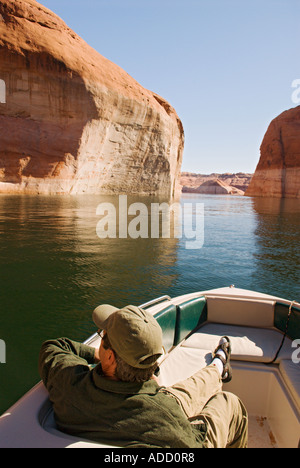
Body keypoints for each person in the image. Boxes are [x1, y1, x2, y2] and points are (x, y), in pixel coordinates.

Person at [39, 304, 248, 448]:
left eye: (103, 337)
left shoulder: (69, 383)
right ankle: (218, 364)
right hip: (157, 411)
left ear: (110, 356)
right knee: (230, 403)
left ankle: (219, 366)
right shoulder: (163, 415)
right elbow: (193, 444)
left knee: (192, 386)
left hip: (142, 404)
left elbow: (55, 346)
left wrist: (99, 356)